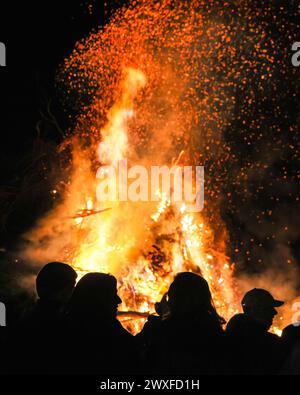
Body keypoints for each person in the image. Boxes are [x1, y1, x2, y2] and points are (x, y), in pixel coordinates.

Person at [139, 272, 228, 374]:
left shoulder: (163, 330)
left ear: (184, 300)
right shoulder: (214, 329)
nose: (169, 303)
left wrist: (161, 321)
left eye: (172, 298)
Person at [5, 262, 77, 373]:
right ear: (63, 290)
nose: (74, 291)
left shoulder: (27, 313)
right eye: (72, 286)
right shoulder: (56, 324)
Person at [63, 272, 139, 374]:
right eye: (113, 294)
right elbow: (131, 352)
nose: (119, 300)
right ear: (99, 298)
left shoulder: (67, 322)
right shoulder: (105, 328)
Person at [226, 288, 285, 374]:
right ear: (257, 309)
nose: (275, 312)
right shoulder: (266, 343)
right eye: (269, 308)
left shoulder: (229, 338)